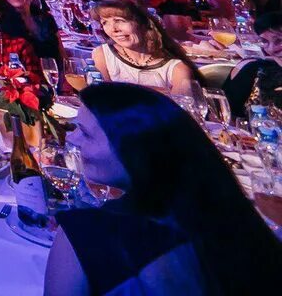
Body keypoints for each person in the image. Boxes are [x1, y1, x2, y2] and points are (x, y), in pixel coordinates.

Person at [46, 83, 282, 296]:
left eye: (85, 133)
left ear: (134, 149)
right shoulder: (238, 223)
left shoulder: (86, 234)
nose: (74, 140)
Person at [90, 0, 198, 95]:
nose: (113, 29)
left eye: (119, 21)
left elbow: (181, 110)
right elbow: (102, 98)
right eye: (105, 23)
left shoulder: (177, 68)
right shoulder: (102, 54)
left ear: (142, 23)